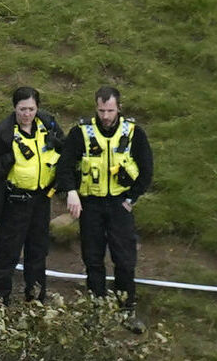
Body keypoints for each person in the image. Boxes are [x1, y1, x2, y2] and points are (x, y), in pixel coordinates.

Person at [59, 84, 155, 327]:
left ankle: (127, 310)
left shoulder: (133, 133)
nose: (105, 116)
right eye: (101, 110)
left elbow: (147, 170)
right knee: (92, 258)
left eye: (110, 110)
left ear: (119, 108)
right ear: (96, 108)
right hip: (90, 203)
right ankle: (96, 309)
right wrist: (71, 193)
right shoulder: (81, 132)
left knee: (124, 260)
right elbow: (65, 166)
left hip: (119, 204)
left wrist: (131, 199)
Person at [0, 86, 62, 307]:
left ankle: (36, 301)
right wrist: (9, 159)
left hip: (42, 200)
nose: (27, 114)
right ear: (14, 108)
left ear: (37, 108)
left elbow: (66, 150)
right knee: (7, 256)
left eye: (31, 109)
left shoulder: (48, 124)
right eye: (22, 109)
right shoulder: (4, 132)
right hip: (15, 203)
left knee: (38, 253)